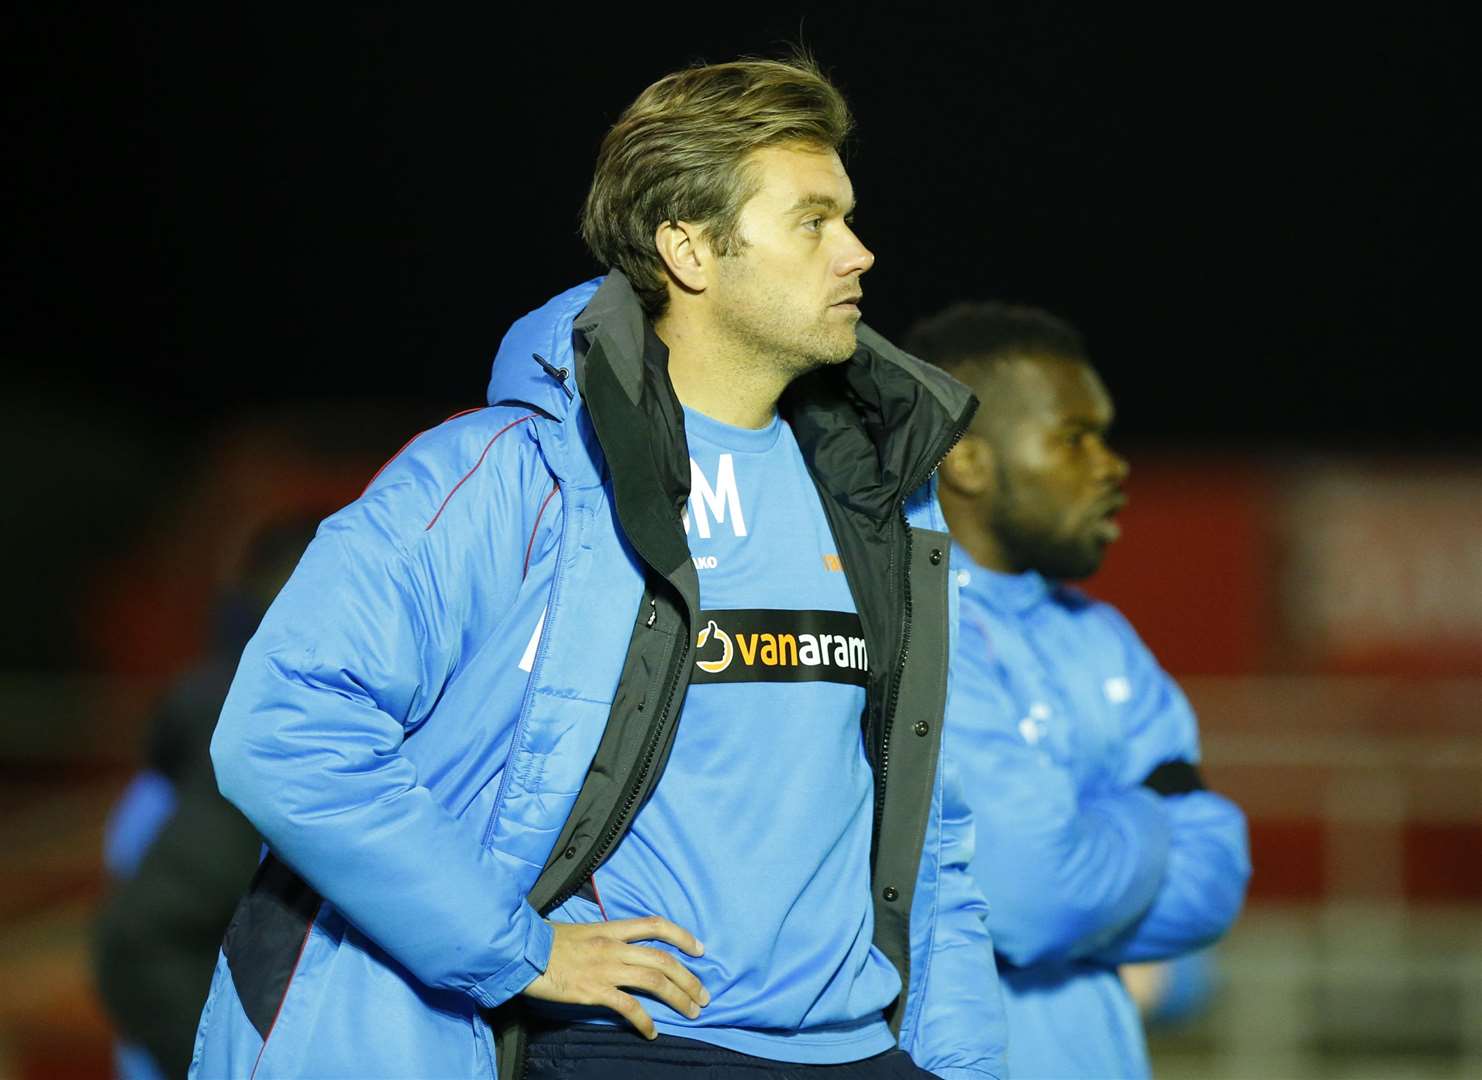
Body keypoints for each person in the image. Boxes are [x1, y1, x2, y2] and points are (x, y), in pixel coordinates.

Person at [191, 57, 1006, 1080]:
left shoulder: (884, 499)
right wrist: (513, 949)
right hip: (638, 1051)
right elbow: (282, 729)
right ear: (689, 248)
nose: (858, 252)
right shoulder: (507, 477)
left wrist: (962, 1061)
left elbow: (934, 825)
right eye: (813, 220)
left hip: (864, 1054)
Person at [906, 301, 1251, 1079]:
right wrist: (1146, 812)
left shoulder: (1100, 635)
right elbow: (1029, 898)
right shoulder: (906, 622)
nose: (1111, 464)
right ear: (966, 459)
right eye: (1074, 437)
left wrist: (1074, 864)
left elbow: (1216, 884)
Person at [94, 516, 318, 1080]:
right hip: (186, 997)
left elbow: (124, 850)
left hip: (165, 988)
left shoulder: (199, 699)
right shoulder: (284, 722)